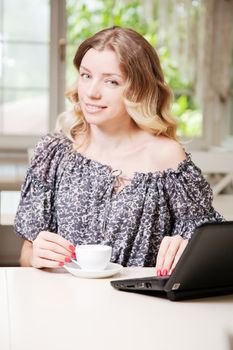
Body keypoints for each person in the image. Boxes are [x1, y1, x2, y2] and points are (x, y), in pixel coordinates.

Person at [14, 26, 223, 275]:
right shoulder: (54, 153)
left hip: (143, 308)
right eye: (86, 75)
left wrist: (187, 247)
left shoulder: (168, 158)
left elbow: (212, 252)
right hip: (65, 304)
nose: (91, 92)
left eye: (111, 81)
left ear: (137, 88)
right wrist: (34, 255)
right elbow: (25, 256)